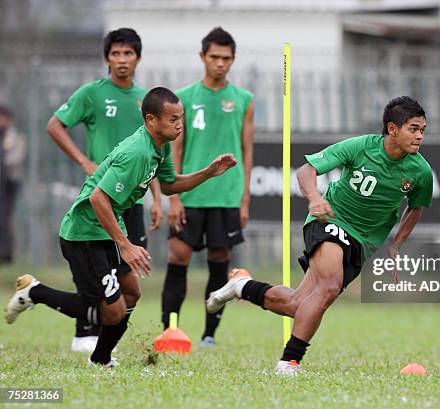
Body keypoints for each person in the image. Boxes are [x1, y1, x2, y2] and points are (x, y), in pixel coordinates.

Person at [4, 87, 237, 367]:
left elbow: (170, 184)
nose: (180, 125)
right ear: (151, 120)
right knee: (110, 311)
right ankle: (35, 293)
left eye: (181, 118)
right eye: (172, 119)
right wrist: (125, 245)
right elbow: (98, 198)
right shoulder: (137, 153)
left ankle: (101, 358)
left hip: (105, 229)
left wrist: (208, 173)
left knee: (131, 294)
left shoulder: (158, 147)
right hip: (84, 233)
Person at [206, 96, 433, 374]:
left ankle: (241, 286)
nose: (420, 136)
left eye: (423, 129)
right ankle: (289, 361)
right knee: (328, 286)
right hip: (330, 218)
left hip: (363, 242)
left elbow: (416, 207)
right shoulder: (360, 146)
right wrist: (314, 198)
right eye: (414, 128)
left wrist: (396, 244)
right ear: (392, 128)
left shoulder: (420, 170)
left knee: (297, 305)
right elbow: (307, 170)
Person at [47, 28, 163, 352]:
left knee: (128, 282)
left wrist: (156, 197)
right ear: (107, 58)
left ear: (138, 58)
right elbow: (54, 125)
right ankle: (85, 329)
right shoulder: (92, 93)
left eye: (128, 54)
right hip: (102, 196)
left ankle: (105, 341)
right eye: (116, 54)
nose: (122, 60)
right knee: (96, 263)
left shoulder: (146, 100)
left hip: (132, 200)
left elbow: (147, 154)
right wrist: (83, 160)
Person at [160, 27, 254, 347]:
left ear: (233, 60)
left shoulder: (244, 100)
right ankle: (169, 329)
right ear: (202, 57)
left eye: (226, 58)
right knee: (178, 257)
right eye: (214, 57)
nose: (220, 64)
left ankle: (209, 335)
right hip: (190, 193)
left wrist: (244, 200)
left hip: (226, 197)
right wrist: (173, 197)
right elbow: (176, 149)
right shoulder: (184, 98)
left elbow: (247, 150)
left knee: (220, 262)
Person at [0, 106, 27, 264]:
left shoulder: (16, 137)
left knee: (5, 217)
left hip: (9, 182)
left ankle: (6, 254)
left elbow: (15, 159)